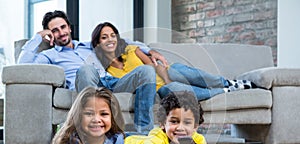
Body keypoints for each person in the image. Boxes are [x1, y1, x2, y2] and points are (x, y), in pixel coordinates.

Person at [18, 10, 166, 136]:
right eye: (55, 31)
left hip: (110, 81)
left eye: (63, 27)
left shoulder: (88, 46)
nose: (61, 33)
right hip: (85, 83)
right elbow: (23, 65)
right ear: (50, 34)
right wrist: (38, 36)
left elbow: (123, 42)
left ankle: (143, 133)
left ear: (69, 28)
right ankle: (93, 132)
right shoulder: (49, 55)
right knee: (86, 69)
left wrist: (149, 50)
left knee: (146, 70)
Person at [90, 22, 258, 102]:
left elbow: (153, 65)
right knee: (175, 90)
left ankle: (226, 82)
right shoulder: (108, 73)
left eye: (113, 35)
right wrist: (169, 84)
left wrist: (168, 78)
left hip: (165, 73)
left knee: (177, 71)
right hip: (158, 89)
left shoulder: (131, 50)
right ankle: (225, 90)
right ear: (98, 44)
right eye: (104, 37)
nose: (110, 39)